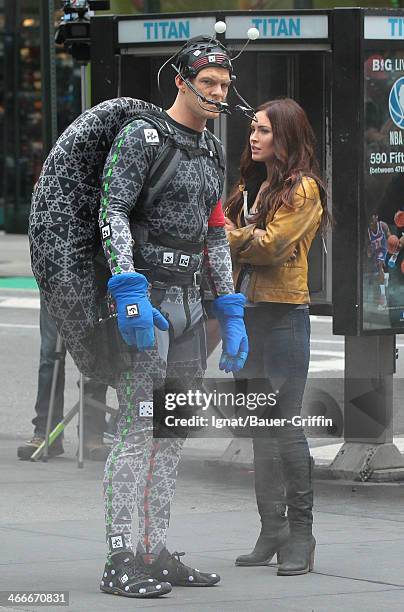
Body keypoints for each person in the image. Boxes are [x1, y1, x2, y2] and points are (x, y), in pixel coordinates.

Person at [97, 36, 248, 599]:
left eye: (224, 86)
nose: (217, 94)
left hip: (188, 308)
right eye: (207, 83)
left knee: (173, 435)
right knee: (136, 434)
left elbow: (214, 231)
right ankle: (119, 557)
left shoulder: (211, 148)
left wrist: (229, 308)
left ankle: (154, 549)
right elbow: (111, 208)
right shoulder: (143, 138)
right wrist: (126, 289)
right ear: (181, 81)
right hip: (145, 307)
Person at [224, 98, 329, 576]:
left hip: (284, 314)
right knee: (260, 431)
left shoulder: (303, 189)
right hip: (249, 314)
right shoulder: (257, 185)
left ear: (284, 135)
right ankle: (272, 527)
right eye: (252, 128)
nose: (254, 137)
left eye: (263, 130)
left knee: (285, 427)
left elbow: (270, 248)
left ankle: (301, 534)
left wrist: (228, 234)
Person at [17, 297, 110, 461]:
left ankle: (92, 434)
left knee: (95, 355)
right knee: (50, 356)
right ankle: (45, 431)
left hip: (95, 282)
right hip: (56, 283)